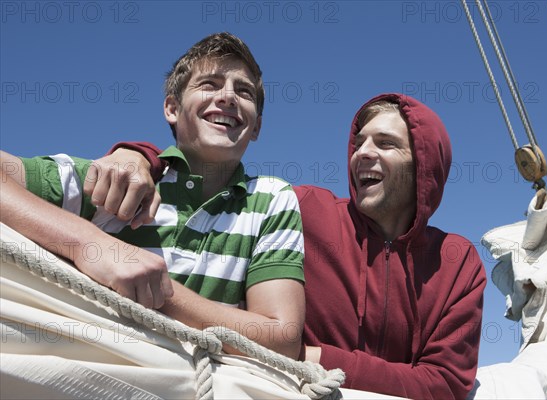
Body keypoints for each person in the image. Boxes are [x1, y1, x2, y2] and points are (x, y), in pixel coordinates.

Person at [98, 92, 487, 398]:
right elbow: (225, 184)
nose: (363, 152)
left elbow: (445, 385)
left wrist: (314, 358)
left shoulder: (457, 263)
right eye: (360, 142)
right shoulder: (302, 209)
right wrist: (141, 156)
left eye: (386, 143)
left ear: (423, 165)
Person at [0, 32, 305, 360]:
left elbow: (281, 337)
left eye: (243, 91)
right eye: (209, 84)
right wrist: (91, 244)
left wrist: (161, 295)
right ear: (172, 109)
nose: (229, 96)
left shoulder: (272, 198)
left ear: (256, 127)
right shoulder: (116, 178)